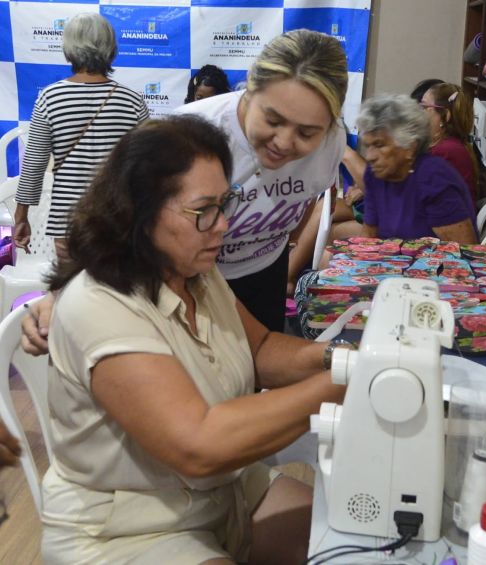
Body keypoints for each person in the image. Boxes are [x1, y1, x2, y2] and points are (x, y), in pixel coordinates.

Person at [36, 115, 346, 564]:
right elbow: (198, 444)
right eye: (204, 210)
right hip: (127, 527)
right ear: (139, 214)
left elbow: (258, 349)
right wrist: (344, 380)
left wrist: (340, 356)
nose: (222, 224)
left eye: (226, 203)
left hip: (220, 493)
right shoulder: (99, 305)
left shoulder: (194, 271)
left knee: (351, 541)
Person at [174, 29, 348, 331]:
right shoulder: (186, 135)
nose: (283, 142)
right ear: (249, 90)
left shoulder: (332, 140)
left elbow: (307, 200)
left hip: (264, 269)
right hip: (180, 275)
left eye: (306, 133)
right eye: (272, 120)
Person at [14, 13, 149, 260]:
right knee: (116, 297)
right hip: (118, 222)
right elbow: (147, 167)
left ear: (69, 48)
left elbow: (34, 164)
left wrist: (21, 216)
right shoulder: (132, 101)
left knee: (69, 295)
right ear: (111, 47)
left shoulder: (50, 98)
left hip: (68, 223)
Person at [357, 94, 478, 243]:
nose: (370, 156)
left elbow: (463, 250)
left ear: (410, 147)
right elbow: (368, 239)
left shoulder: (433, 179)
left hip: (439, 264)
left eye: (379, 145)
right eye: (368, 146)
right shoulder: (374, 175)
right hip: (391, 263)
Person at [420, 83, 479, 208]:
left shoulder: (446, 151)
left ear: (445, 116)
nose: (419, 113)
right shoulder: (448, 145)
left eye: (425, 107)